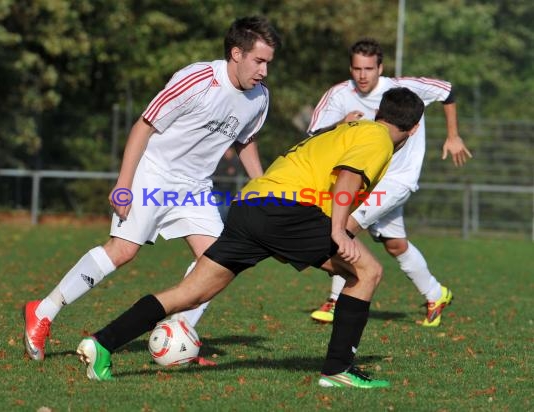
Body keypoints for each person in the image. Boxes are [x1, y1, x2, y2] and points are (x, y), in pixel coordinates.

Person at [75, 87, 425, 388]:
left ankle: (103, 344)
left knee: (192, 293)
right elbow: (348, 176)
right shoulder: (378, 139)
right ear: (413, 128)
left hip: (252, 204)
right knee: (367, 272)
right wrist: (336, 230)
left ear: (379, 111)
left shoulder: (353, 128)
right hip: (287, 211)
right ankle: (339, 370)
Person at [22, 16, 281, 361]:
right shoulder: (197, 79)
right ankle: (43, 311)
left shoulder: (259, 98)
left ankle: (179, 336)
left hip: (195, 187)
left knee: (219, 262)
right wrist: (124, 183)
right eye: (259, 61)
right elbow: (143, 127)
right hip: (154, 173)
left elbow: (244, 140)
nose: (264, 71)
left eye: (268, 63)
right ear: (236, 53)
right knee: (122, 251)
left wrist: (261, 185)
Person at [308, 38, 472, 327]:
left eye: (369, 68)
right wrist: (340, 125)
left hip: (398, 180)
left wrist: (453, 135)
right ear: (350, 68)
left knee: (343, 227)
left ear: (380, 68)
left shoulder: (401, 89)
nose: (362, 75)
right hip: (368, 179)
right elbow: (313, 136)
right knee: (395, 244)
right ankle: (436, 293)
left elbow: (448, 90)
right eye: (357, 68)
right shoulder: (338, 95)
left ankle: (336, 301)